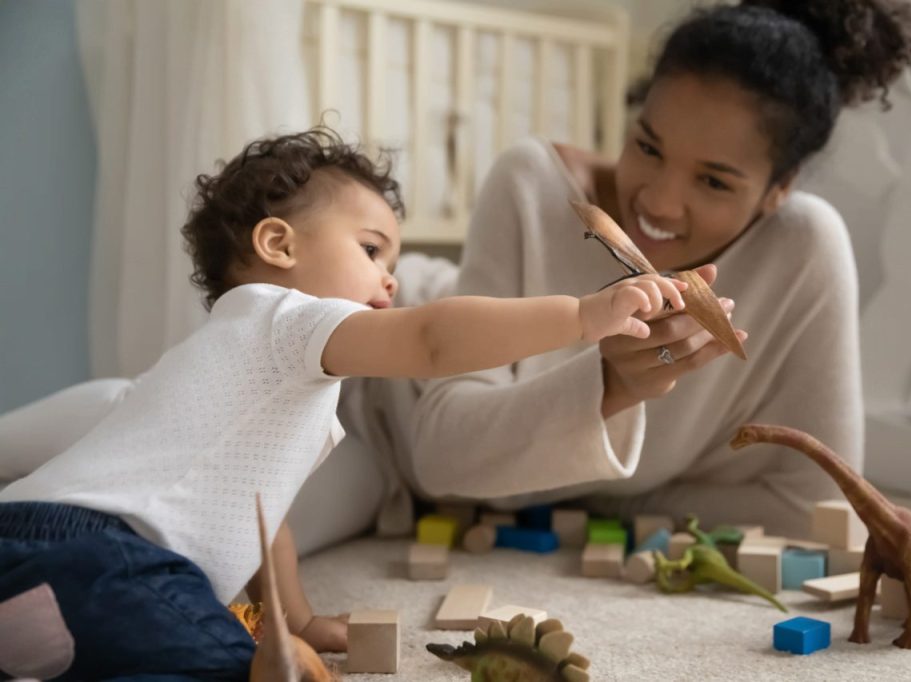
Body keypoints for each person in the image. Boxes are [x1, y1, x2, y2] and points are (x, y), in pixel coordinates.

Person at [0, 128, 686, 680]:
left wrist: (294, 619)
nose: (390, 280)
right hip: (107, 557)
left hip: (33, 547)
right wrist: (580, 315)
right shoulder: (289, 320)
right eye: (370, 250)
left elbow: (267, 525)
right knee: (237, 664)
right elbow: (433, 340)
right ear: (278, 244)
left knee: (152, 646)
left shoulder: (232, 367)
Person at [383, 0, 911, 537]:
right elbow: (441, 462)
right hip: (380, 361)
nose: (659, 203)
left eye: (713, 181)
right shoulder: (532, 186)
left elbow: (815, 509)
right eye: (647, 146)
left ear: (778, 190)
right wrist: (608, 387)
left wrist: (597, 490)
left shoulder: (803, 244)